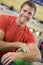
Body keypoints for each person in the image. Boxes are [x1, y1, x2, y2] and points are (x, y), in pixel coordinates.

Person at [0, 1, 41, 65]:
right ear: (20, 10)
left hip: (6, 61)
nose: (26, 15)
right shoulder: (4, 19)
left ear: (32, 17)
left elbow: (38, 56)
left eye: (30, 13)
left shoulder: (29, 35)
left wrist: (20, 55)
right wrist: (18, 44)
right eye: (24, 11)